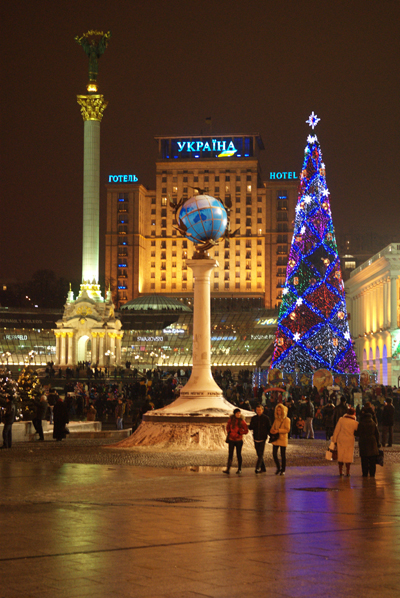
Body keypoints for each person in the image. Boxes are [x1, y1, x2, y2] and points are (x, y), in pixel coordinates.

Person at [331, 406, 358, 476]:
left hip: (341, 439)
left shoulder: (341, 420)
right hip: (350, 440)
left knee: (341, 455)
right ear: (354, 414)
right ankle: (348, 471)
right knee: (348, 456)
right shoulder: (355, 423)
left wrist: (334, 440)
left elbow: (336, 430)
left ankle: (340, 471)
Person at [223, 408, 249, 475]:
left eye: (239, 413)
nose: (238, 414)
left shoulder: (242, 421)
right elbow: (227, 427)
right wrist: (230, 432)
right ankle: (228, 468)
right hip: (231, 439)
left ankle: (239, 469)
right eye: (237, 413)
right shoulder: (231, 420)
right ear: (234, 414)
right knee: (230, 454)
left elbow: (246, 430)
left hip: (238, 440)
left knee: (238, 454)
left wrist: (240, 432)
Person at [355, 411, 380, 477]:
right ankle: (372, 473)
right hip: (372, 442)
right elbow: (377, 434)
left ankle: (365, 473)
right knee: (372, 460)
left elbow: (358, 433)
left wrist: (355, 432)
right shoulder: (373, 423)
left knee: (364, 459)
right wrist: (378, 443)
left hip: (364, 441)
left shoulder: (361, 423)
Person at [270, 404, 291, 475]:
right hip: (276, 439)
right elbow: (273, 427)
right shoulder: (276, 419)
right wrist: (272, 430)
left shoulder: (287, 419)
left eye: (280, 410)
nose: (278, 411)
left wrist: (278, 430)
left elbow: (287, 429)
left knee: (283, 455)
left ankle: (283, 469)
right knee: (274, 454)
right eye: (277, 410)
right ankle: (278, 467)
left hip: (282, 439)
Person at [249, 404, 271, 473]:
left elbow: (269, 427)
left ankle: (257, 467)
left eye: (259, 410)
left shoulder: (266, 418)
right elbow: (251, 427)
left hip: (262, 438)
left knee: (261, 454)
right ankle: (263, 468)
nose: (258, 411)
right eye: (257, 410)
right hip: (255, 437)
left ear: (262, 410)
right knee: (258, 454)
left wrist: (270, 435)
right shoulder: (254, 418)